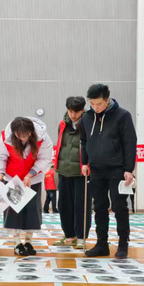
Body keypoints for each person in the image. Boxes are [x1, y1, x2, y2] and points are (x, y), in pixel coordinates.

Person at [80, 84, 137, 258]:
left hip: (117, 169)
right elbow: (83, 141)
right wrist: (84, 162)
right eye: (92, 104)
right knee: (99, 207)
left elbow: (130, 143)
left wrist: (129, 169)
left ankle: (123, 244)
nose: (95, 107)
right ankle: (101, 244)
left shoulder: (122, 115)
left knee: (119, 207)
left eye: (99, 104)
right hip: (96, 169)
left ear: (107, 100)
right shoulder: (87, 118)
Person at [0, 116, 53, 256]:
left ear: (32, 131)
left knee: (32, 210)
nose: (23, 138)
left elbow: (45, 158)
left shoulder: (43, 138)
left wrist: (30, 174)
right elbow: (0, 157)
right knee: (13, 211)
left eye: (26, 135)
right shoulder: (6, 138)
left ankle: (29, 242)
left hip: (33, 179)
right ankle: (17, 243)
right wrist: (0, 173)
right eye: (19, 135)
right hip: (12, 179)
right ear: (14, 133)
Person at [53, 96, 91, 249]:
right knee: (63, 205)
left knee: (81, 206)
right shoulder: (63, 124)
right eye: (70, 111)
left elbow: (91, 146)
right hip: (63, 171)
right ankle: (69, 235)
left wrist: (88, 164)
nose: (73, 115)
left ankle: (81, 237)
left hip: (82, 172)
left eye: (76, 112)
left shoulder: (89, 123)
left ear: (82, 110)